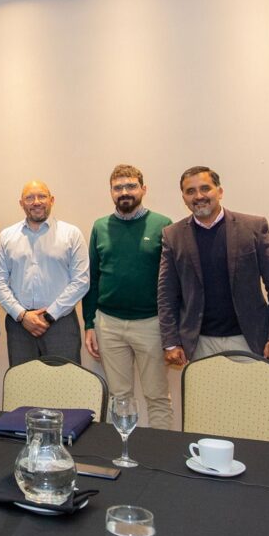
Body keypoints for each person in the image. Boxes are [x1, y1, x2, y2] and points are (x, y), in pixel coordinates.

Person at [158, 166, 269, 366]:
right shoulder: (172, 235)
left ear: (220, 192)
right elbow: (167, 293)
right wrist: (170, 341)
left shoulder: (254, 227)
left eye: (205, 188)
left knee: (257, 389)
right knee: (203, 390)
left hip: (250, 339)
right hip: (199, 344)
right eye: (190, 191)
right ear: (184, 198)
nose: (199, 196)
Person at [82, 165, 173, 429]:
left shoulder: (163, 225)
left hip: (151, 324)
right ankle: (123, 448)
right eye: (118, 187)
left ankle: (160, 450)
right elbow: (92, 278)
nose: (125, 192)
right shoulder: (100, 227)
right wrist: (89, 323)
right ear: (111, 192)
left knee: (157, 396)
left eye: (131, 186)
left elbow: (173, 282)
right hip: (109, 324)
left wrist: (172, 329)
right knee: (119, 396)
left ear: (143, 189)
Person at [0, 180, 89, 366]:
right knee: (23, 381)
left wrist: (49, 315)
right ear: (21, 203)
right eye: (29, 198)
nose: (36, 202)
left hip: (61, 323)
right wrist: (22, 315)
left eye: (42, 196)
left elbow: (81, 281)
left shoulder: (71, 234)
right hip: (20, 326)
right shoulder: (6, 236)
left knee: (65, 381)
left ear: (52, 200)